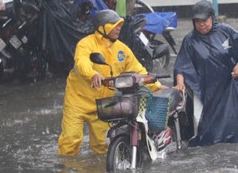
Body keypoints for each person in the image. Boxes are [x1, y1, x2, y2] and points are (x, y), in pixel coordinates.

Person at [58, 9, 163, 156]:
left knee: (103, 146)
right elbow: (82, 62)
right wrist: (93, 74)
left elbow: (138, 71)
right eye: (114, 24)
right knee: (70, 140)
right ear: (102, 27)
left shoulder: (122, 49)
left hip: (103, 103)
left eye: (120, 25)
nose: (119, 28)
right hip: (77, 101)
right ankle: (66, 172)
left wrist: (156, 85)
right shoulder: (85, 44)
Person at [173, 0, 238, 147]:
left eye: (205, 20)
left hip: (229, 85)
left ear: (212, 18)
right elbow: (182, 65)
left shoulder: (225, 31)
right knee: (204, 128)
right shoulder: (190, 40)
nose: (202, 24)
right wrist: (180, 83)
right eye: (198, 21)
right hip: (204, 89)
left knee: (234, 121)